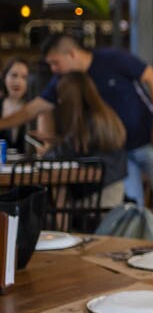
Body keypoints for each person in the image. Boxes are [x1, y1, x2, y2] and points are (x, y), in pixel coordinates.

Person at [0, 34, 153, 204]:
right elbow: (34, 109)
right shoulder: (63, 80)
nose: (53, 69)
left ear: (71, 54)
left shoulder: (112, 58)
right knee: (136, 206)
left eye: (55, 62)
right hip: (118, 153)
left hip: (147, 140)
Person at [40, 71, 128, 212]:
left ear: (71, 96)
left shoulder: (84, 123)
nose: (59, 101)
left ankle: (62, 232)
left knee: (57, 192)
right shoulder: (105, 114)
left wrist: (46, 151)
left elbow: (59, 154)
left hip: (96, 197)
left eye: (61, 95)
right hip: (115, 188)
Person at [1, 57, 33, 151]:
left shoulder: (34, 108)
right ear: (4, 77)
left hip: (27, 164)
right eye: (14, 75)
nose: (18, 82)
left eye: (24, 77)